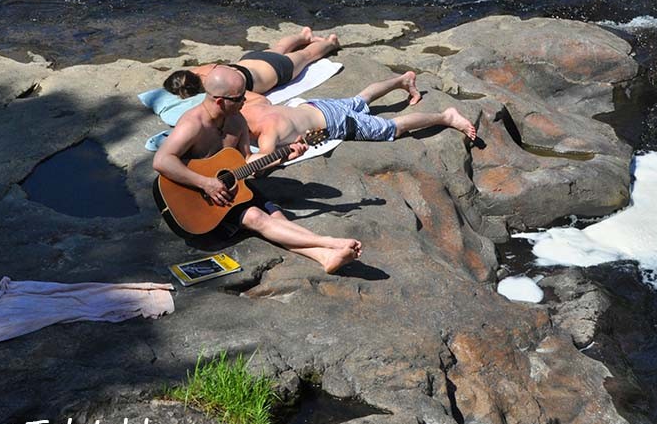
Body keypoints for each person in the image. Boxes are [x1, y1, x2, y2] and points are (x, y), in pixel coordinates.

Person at [152, 65, 362, 273]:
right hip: (199, 206)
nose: (245, 101)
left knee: (276, 215)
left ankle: (324, 257)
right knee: (254, 216)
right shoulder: (193, 124)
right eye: (239, 98)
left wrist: (281, 157)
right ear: (219, 101)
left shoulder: (236, 120)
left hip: (230, 190)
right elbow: (162, 160)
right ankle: (331, 243)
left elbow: (247, 160)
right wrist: (205, 183)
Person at [242, 71, 477, 154]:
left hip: (334, 124)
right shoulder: (249, 105)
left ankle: (446, 117)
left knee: (392, 128)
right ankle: (402, 80)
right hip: (314, 106)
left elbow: (262, 161)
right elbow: (257, 96)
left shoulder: (267, 134)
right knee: (359, 100)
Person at [164, 27, 340, 99]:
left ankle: (331, 43)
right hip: (249, 60)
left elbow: (254, 101)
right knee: (279, 47)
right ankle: (304, 35)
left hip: (272, 71)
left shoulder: (216, 92)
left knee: (306, 55)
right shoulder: (202, 70)